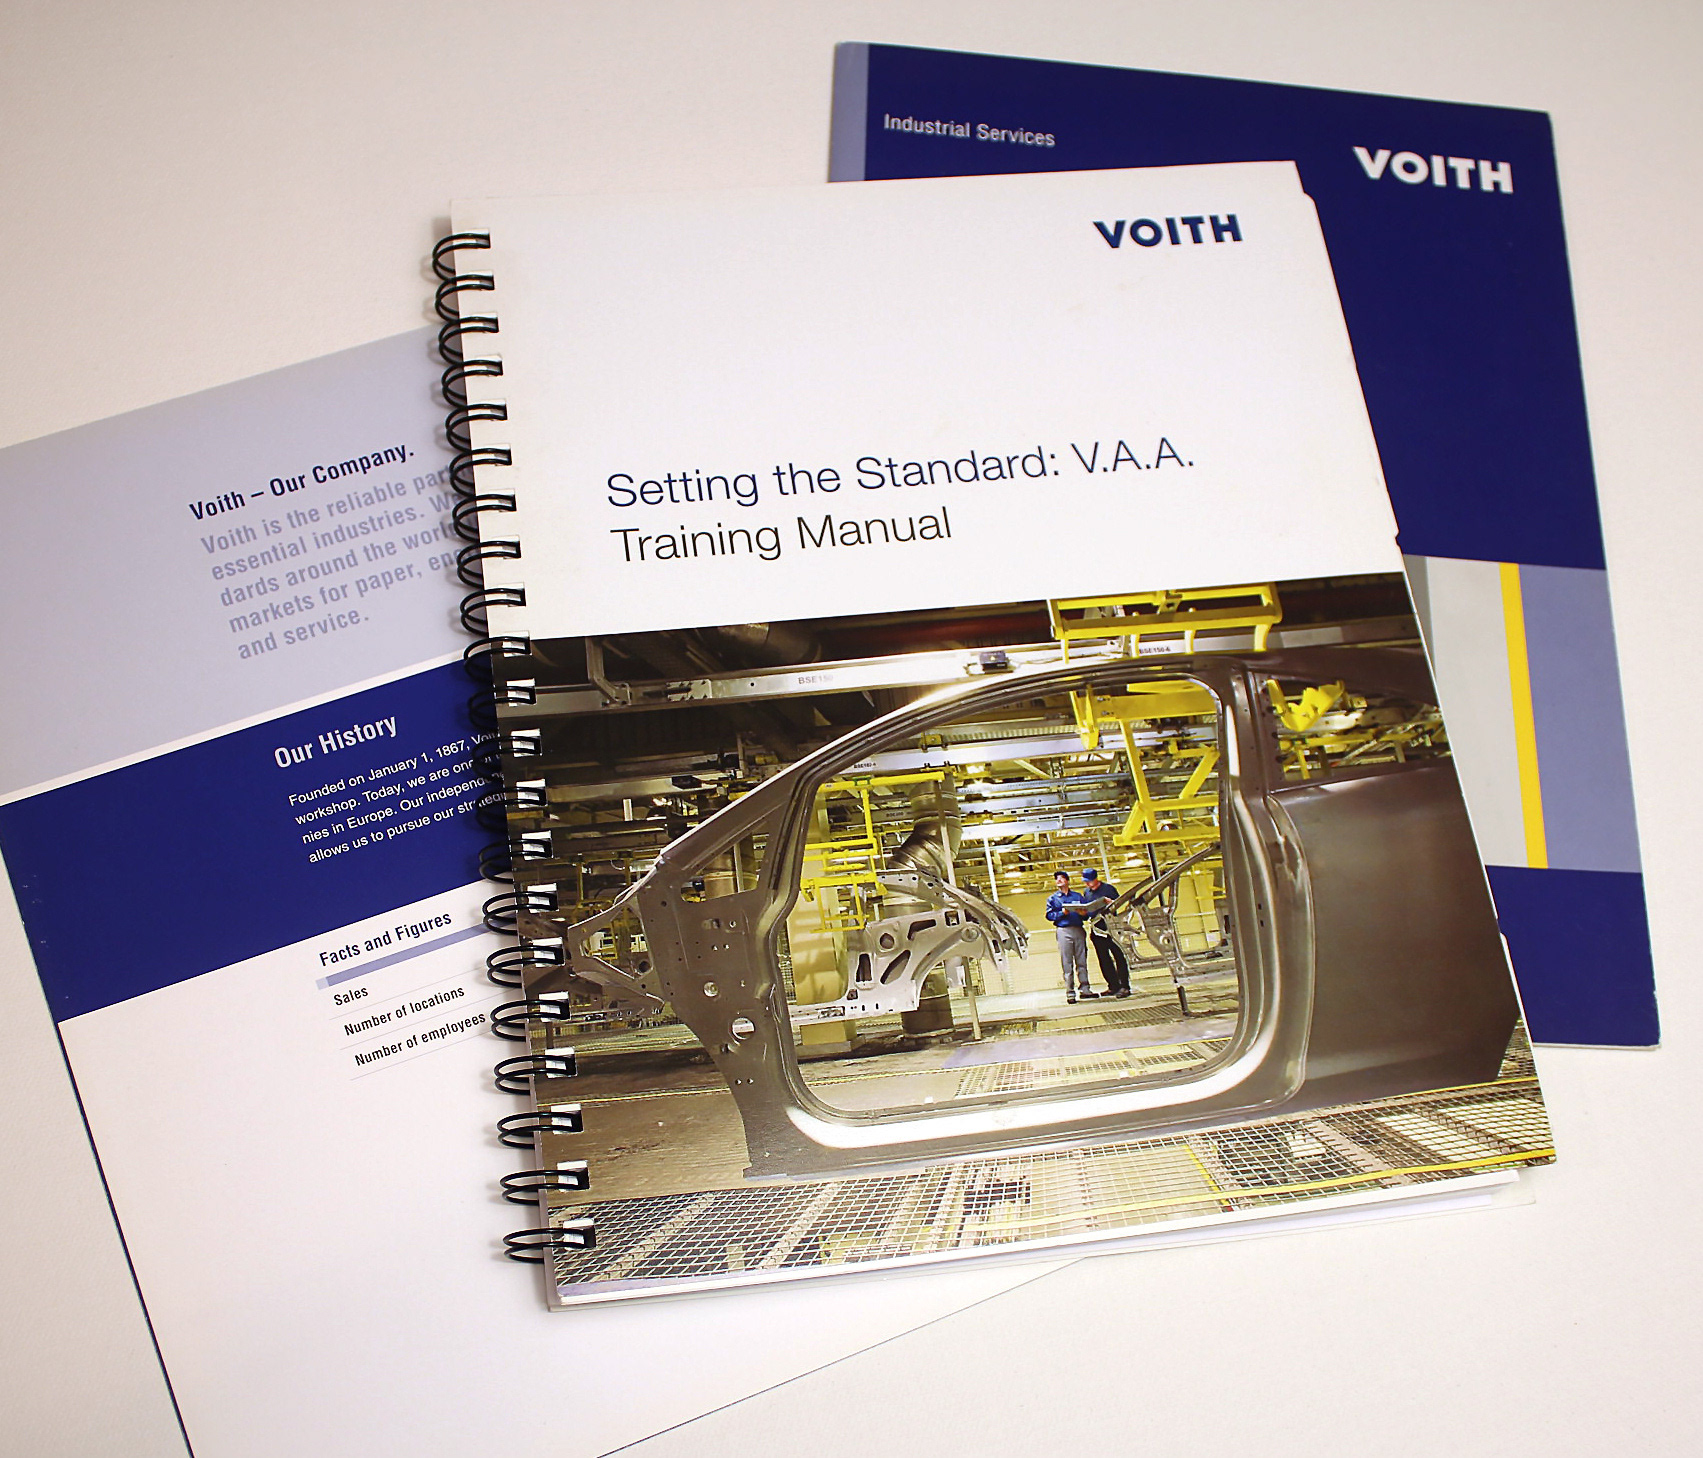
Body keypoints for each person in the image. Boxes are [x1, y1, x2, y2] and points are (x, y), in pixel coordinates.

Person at [1044, 870, 1097, 1002]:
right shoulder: (1053, 899)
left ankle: (1085, 989)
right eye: (1057, 879)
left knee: (1082, 960)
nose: (1058, 880)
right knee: (1067, 962)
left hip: (1078, 929)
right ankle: (1070, 992)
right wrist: (1062, 913)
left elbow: (1086, 914)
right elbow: (1049, 915)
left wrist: (1083, 913)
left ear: (1067, 881)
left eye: (1061, 878)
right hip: (1064, 931)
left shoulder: (1078, 896)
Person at [1080, 868, 1132, 998]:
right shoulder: (1087, 892)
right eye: (1086, 882)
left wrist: (1111, 903)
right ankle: (1113, 986)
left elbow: (1119, 904)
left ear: (1096, 879)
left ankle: (1124, 986)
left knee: (1119, 956)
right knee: (1104, 959)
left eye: (1089, 881)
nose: (1087, 884)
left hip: (1110, 927)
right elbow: (1088, 911)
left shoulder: (1108, 889)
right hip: (1097, 928)